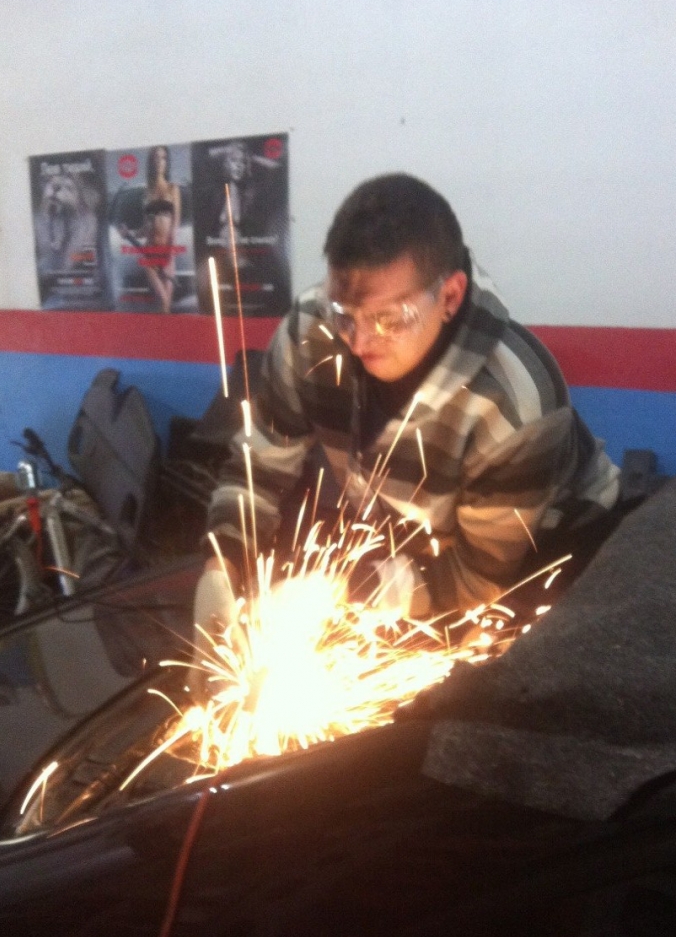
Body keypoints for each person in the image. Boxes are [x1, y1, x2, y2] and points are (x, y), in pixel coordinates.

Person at [193, 173, 620, 634]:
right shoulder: (310, 334)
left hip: (552, 544)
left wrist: (342, 589)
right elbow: (259, 468)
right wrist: (221, 565)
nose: (358, 342)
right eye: (344, 315)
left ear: (449, 296)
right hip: (418, 530)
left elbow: (478, 577)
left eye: (388, 320)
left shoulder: (513, 404)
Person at [122, 145, 181, 313]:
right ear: (151, 162)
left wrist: (170, 256)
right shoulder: (147, 193)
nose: (160, 162)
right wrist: (130, 233)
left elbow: (175, 224)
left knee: (166, 306)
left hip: (167, 252)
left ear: (167, 162)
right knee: (161, 300)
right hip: (149, 252)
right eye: (156, 158)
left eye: (163, 158)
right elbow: (145, 228)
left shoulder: (173, 189)